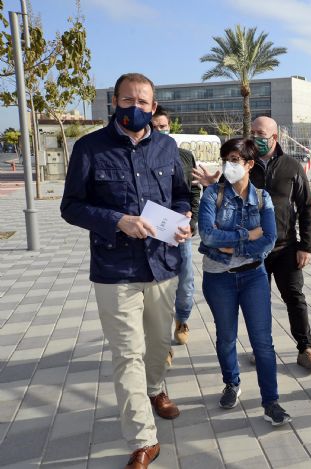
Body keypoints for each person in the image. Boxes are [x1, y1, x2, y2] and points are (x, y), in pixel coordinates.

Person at [61, 73, 191, 468]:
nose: (136, 107)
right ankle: (143, 439)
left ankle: (155, 389)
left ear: (154, 107)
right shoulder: (89, 148)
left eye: (144, 102)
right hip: (114, 270)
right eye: (128, 99)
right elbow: (71, 206)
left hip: (163, 265)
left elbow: (183, 194)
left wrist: (186, 217)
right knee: (127, 353)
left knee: (158, 345)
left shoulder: (168, 147)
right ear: (114, 102)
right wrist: (117, 219)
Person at [194, 116, 311, 370]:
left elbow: (306, 208)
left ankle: (305, 348)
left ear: (275, 137)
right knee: (258, 304)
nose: (255, 137)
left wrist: (305, 246)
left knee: (294, 297)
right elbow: (225, 194)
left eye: (260, 133)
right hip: (251, 251)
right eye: (252, 132)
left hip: (285, 247)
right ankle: (261, 347)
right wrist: (213, 185)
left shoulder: (292, 167)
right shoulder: (243, 165)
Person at [199, 138, 292, 426]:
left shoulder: (262, 198)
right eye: (226, 159)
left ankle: (271, 401)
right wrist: (245, 236)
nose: (229, 165)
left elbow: (268, 240)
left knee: (262, 342)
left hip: (254, 276)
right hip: (218, 278)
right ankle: (231, 383)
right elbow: (207, 235)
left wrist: (229, 245)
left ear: (250, 164)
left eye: (236, 160)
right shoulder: (211, 194)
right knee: (226, 337)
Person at [151, 106, 201, 359]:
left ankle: (182, 320)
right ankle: (161, 344)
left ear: (170, 126)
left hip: (179, 227)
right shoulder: (141, 156)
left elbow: (193, 190)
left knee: (185, 281)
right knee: (158, 288)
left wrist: (191, 216)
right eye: (154, 126)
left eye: (163, 126)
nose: (159, 131)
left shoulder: (184, 155)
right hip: (152, 229)